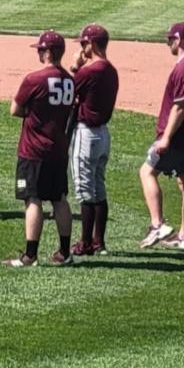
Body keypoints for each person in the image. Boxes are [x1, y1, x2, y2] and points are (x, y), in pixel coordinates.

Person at [4, 31, 77, 268]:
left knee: (32, 199)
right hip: (58, 149)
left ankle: (30, 255)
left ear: (47, 52)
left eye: (39, 49)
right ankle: (64, 251)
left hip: (34, 150)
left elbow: (15, 110)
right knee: (59, 199)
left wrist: (33, 114)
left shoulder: (34, 79)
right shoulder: (70, 80)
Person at [139, 22, 184, 251]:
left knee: (147, 171)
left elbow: (180, 106)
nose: (168, 43)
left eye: (170, 39)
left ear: (178, 41)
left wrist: (166, 138)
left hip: (177, 137)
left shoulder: (183, 69)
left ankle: (157, 224)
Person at [69, 24, 119, 256]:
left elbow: (68, 90)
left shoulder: (90, 71)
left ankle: (86, 243)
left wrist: (74, 67)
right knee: (99, 188)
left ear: (92, 44)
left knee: (84, 189)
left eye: (83, 43)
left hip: (86, 134)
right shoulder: (111, 70)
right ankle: (99, 242)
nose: (82, 47)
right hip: (103, 134)